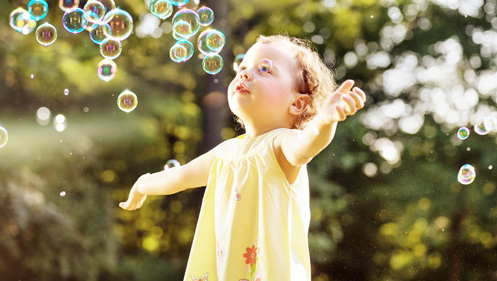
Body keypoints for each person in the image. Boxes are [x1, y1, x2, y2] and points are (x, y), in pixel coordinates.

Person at [119, 34, 366, 281]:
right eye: (243, 68)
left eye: (264, 69)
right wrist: (144, 183)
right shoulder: (225, 154)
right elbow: (180, 177)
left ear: (298, 104)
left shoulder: (281, 144)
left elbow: (308, 144)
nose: (245, 75)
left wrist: (324, 121)